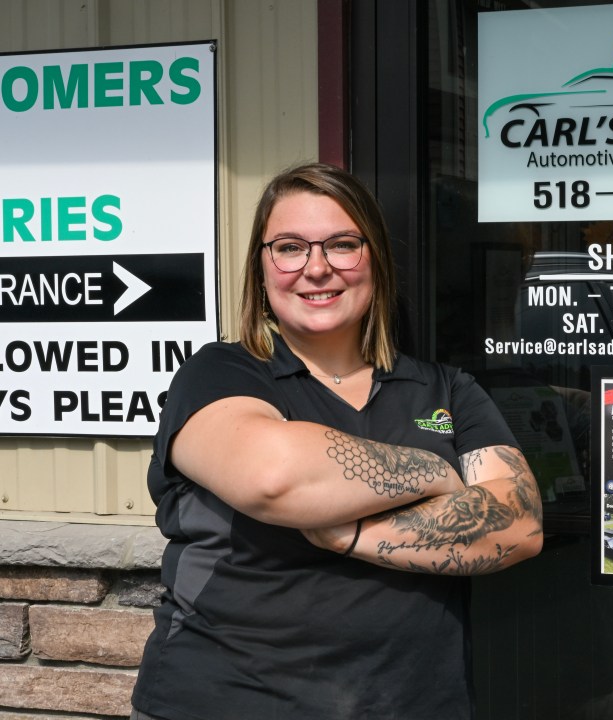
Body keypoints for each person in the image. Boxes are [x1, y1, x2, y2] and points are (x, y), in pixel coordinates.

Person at [130, 163, 544, 720]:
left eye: (343, 245)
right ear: (262, 266)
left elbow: (519, 524)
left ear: (375, 260)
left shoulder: (446, 388)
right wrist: (435, 473)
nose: (317, 268)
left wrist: (344, 532)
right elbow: (274, 476)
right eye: (290, 247)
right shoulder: (221, 373)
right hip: (229, 702)